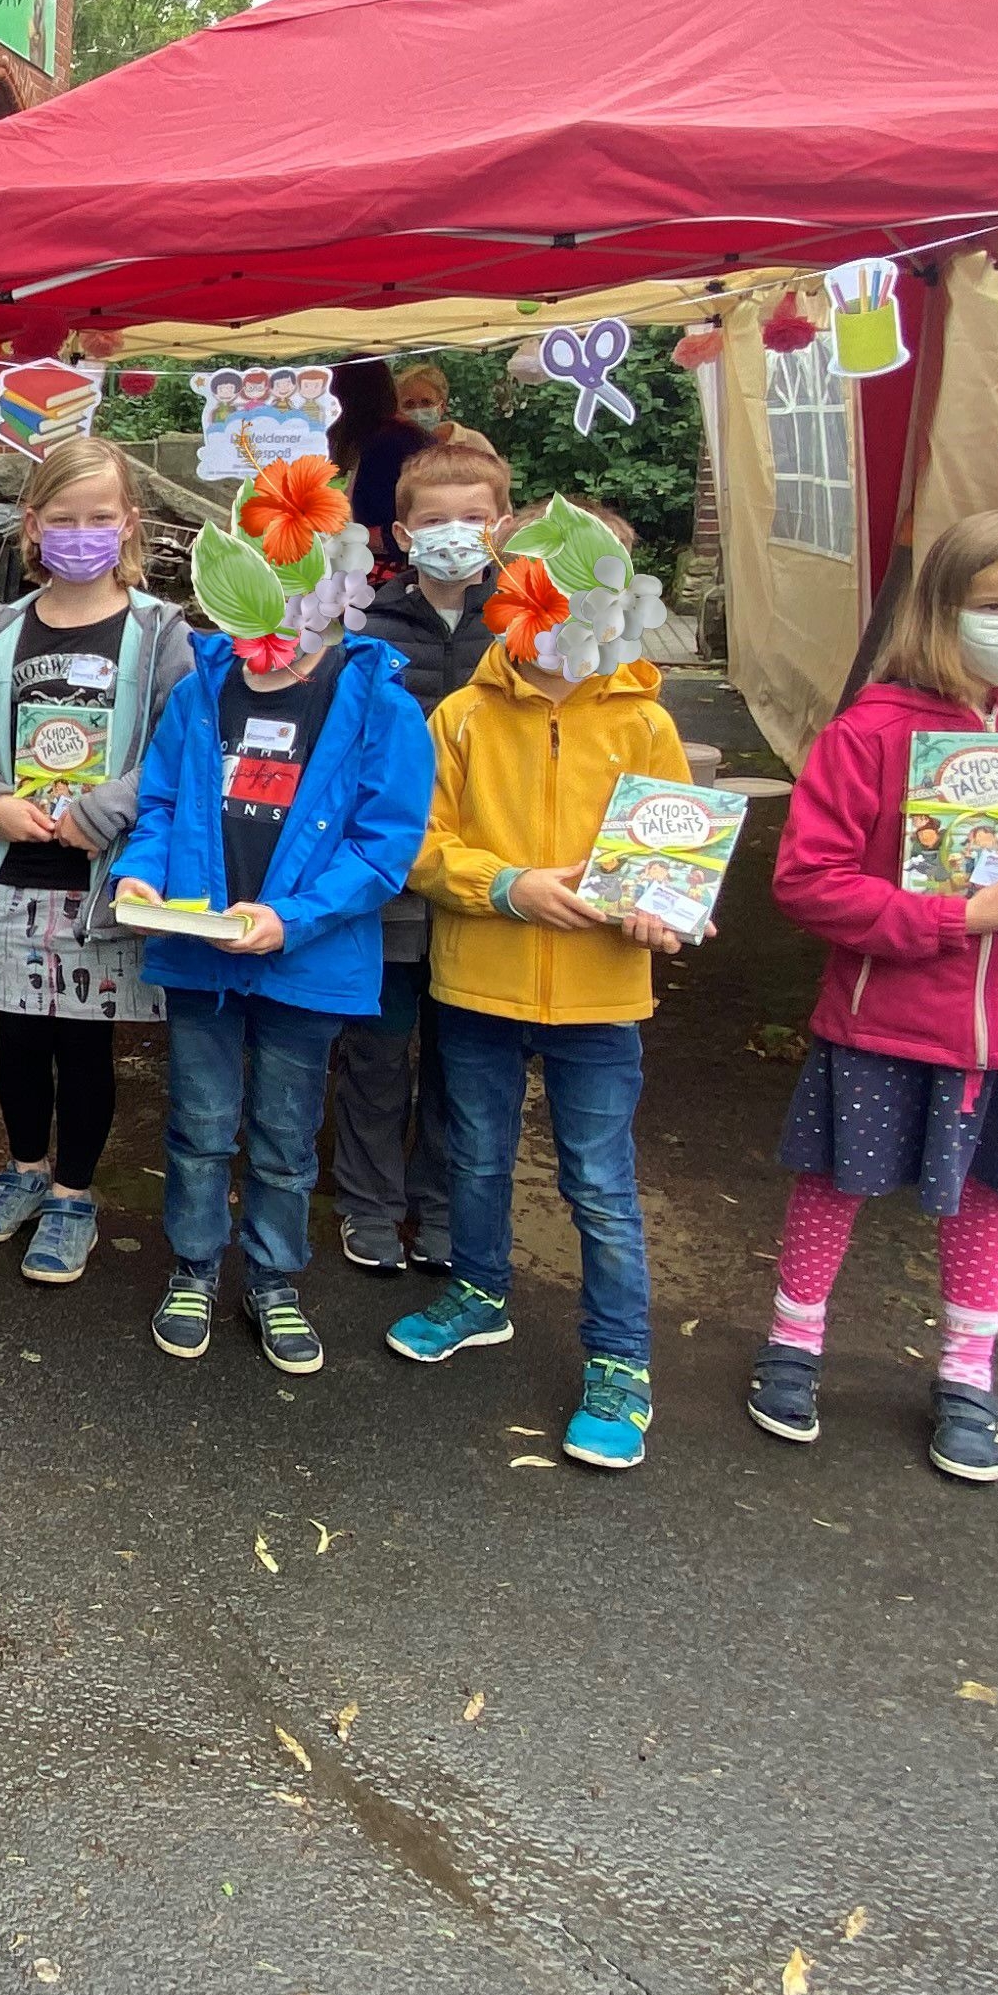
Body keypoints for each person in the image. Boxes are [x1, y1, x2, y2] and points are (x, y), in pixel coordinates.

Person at [752, 507, 998, 1484]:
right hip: (882, 1017)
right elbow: (808, 881)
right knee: (835, 1180)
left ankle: (969, 1373)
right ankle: (793, 1342)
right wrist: (951, 920)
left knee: (985, 1197)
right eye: (996, 605)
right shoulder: (872, 733)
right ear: (941, 609)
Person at [387, 509, 693, 1470]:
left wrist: (665, 910)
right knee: (475, 1158)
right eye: (540, 595)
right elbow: (417, 843)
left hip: (601, 997)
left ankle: (621, 1360)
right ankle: (480, 1292)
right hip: (478, 984)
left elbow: (676, 856)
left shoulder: (644, 723)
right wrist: (506, 886)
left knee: (599, 1184)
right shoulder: (462, 717)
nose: (561, 616)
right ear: (507, 599)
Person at [114, 569, 434, 1373]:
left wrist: (293, 919)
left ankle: (273, 1278)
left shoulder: (378, 702)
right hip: (200, 953)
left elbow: (385, 845)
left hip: (306, 961)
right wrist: (141, 874)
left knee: (287, 1137)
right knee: (199, 1126)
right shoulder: (202, 688)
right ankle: (194, 1267)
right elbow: (160, 806)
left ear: (334, 590)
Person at [0, 437, 194, 1283]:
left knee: (86, 1047)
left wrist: (106, 808)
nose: (80, 533)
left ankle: (74, 1195)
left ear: (128, 524)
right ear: (32, 525)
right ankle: (23, 1170)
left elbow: (176, 747)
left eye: (98, 517)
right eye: (63, 518)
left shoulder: (158, 632)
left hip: (101, 876)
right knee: (18, 1038)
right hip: (16, 873)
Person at [327, 440, 514, 1269]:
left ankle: (442, 1205)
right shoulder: (364, 627)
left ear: (501, 524)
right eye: (436, 520)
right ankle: (369, 1203)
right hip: (386, 885)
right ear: (401, 534)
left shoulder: (527, 629)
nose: (455, 533)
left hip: (483, 881)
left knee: (461, 1059)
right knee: (374, 1052)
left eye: (473, 517)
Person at [327, 355, 421, 568]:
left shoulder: (387, 445)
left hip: (389, 568)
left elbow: (391, 526)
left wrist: (340, 537)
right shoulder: (404, 436)